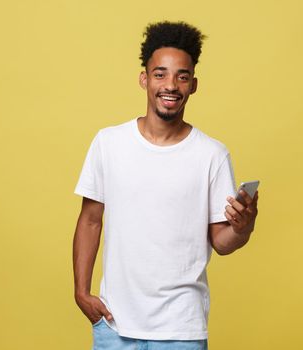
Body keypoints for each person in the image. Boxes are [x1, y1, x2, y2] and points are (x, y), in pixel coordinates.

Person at [73, 21, 259, 350]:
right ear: (144, 79)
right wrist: (81, 293)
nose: (170, 85)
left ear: (193, 85)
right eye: (160, 74)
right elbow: (90, 220)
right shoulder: (109, 143)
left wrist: (244, 227)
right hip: (114, 325)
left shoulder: (211, 155)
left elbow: (222, 242)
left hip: (181, 329)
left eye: (181, 76)